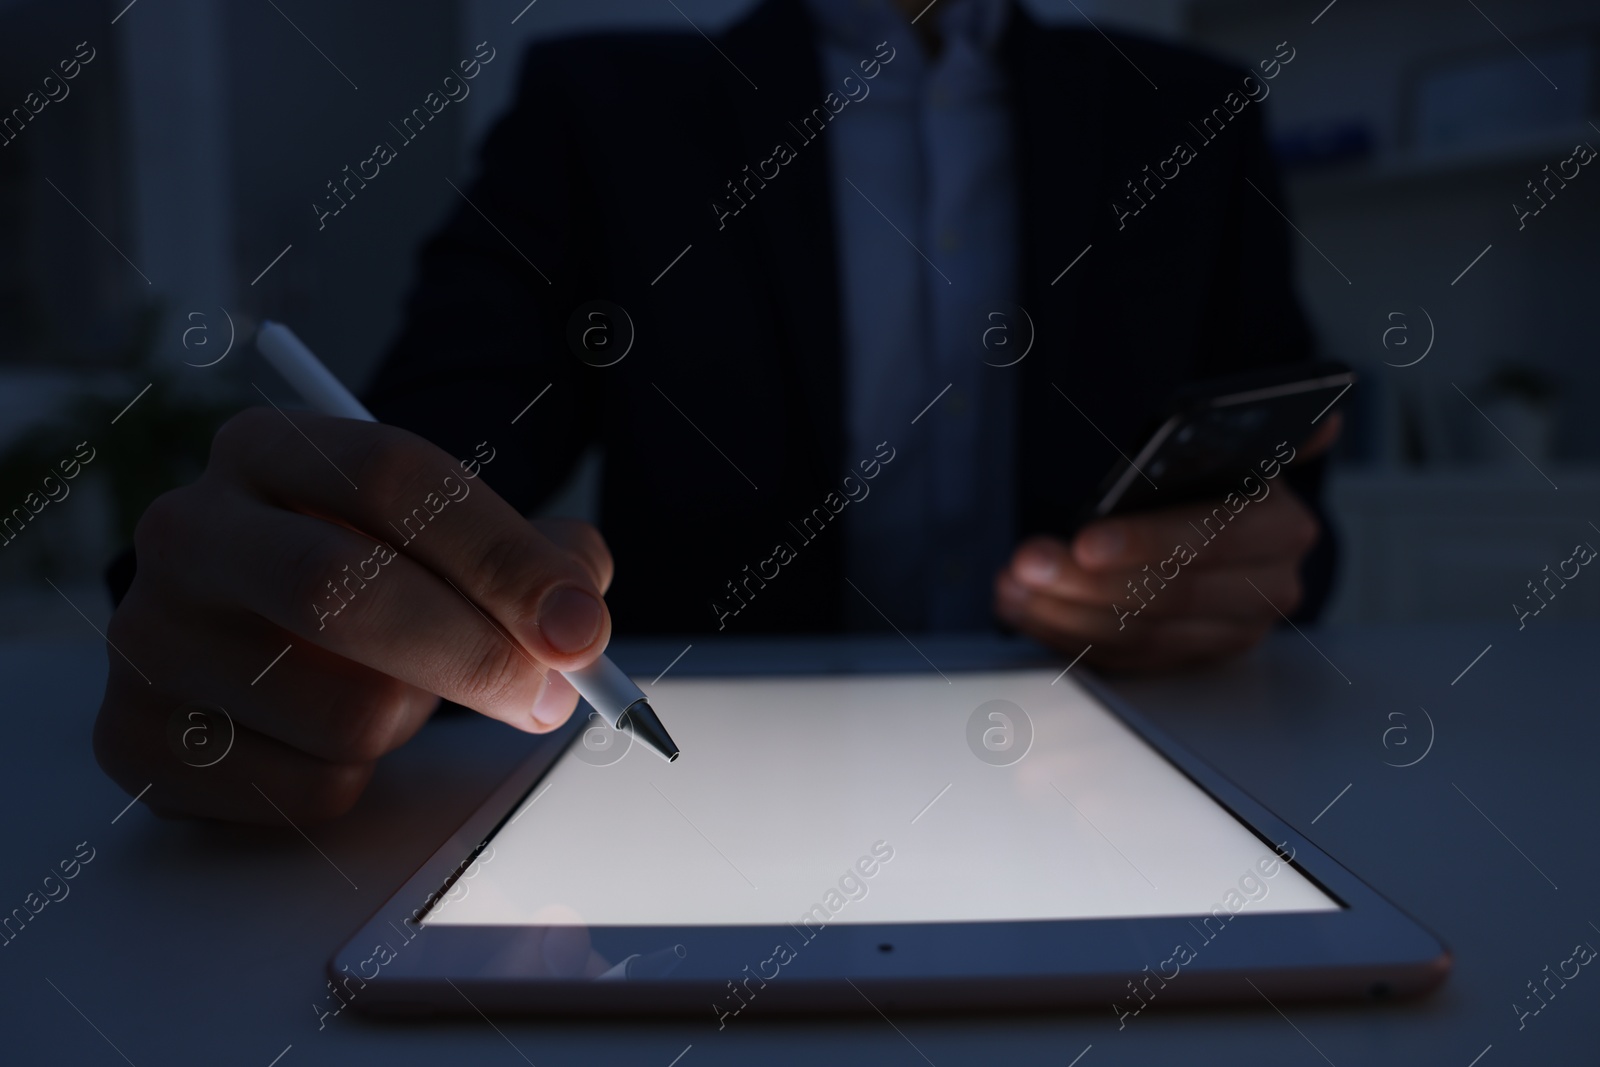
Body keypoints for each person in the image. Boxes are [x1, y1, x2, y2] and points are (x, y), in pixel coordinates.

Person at [95, 0, 1336, 822]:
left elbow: (1285, 497)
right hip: (721, 809)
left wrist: (1264, 564)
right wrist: (284, 578)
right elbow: (425, 459)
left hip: (1127, 780)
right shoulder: (602, 113)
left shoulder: (1193, 116)